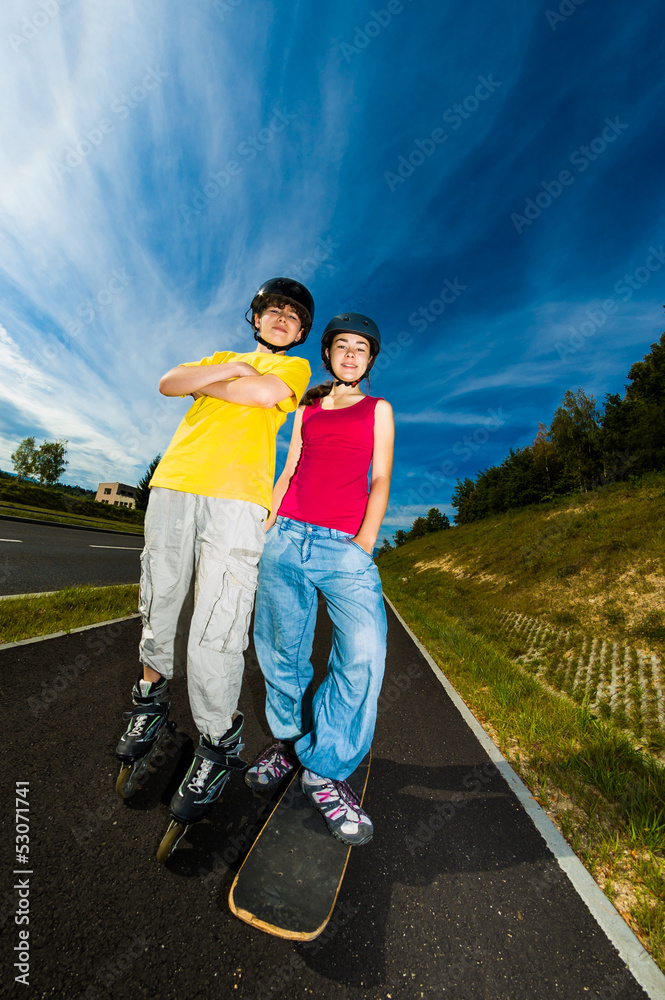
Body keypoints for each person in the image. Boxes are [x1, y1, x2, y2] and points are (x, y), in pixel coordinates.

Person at [115, 278, 313, 853]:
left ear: (300, 333)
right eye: (273, 309)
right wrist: (232, 375)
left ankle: (218, 738)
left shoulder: (294, 374)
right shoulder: (226, 358)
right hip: (175, 483)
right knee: (161, 601)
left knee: (216, 625)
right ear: (255, 318)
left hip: (238, 500)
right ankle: (149, 700)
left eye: (293, 316)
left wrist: (224, 384)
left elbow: (257, 397)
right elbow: (169, 382)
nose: (282, 318)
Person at [245, 312, 394, 846]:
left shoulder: (379, 410)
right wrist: (266, 530)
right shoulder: (307, 409)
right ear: (328, 354)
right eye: (342, 346)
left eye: (361, 348)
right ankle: (288, 742)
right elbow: (290, 469)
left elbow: (380, 478)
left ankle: (325, 767)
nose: (351, 355)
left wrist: (364, 545)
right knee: (283, 650)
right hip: (286, 536)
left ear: (369, 360)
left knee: (362, 654)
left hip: (344, 548)